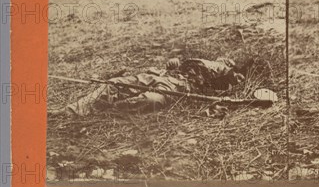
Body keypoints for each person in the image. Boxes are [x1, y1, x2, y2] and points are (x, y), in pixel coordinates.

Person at [61, 57, 245, 116]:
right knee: (116, 84)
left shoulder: (225, 81)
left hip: (178, 90)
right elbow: (178, 63)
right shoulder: (202, 62)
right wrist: (174, 63)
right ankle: (71, 111)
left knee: (151, 100)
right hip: (161, 77)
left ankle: (107, 111)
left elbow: (227, 81)